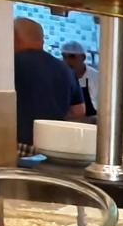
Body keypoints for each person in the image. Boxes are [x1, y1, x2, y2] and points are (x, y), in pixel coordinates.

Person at [13, 17, 83, 148]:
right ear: (42, 40)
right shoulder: (66, 69)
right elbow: (79, 111)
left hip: (20, 145)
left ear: (14, 37)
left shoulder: (10, 65)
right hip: (53, 146)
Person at [60, 41, 98, 119]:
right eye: (64, 57)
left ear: (83, 57)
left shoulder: (96, 77)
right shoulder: (60, 77)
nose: (67, 61)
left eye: (72, 57)